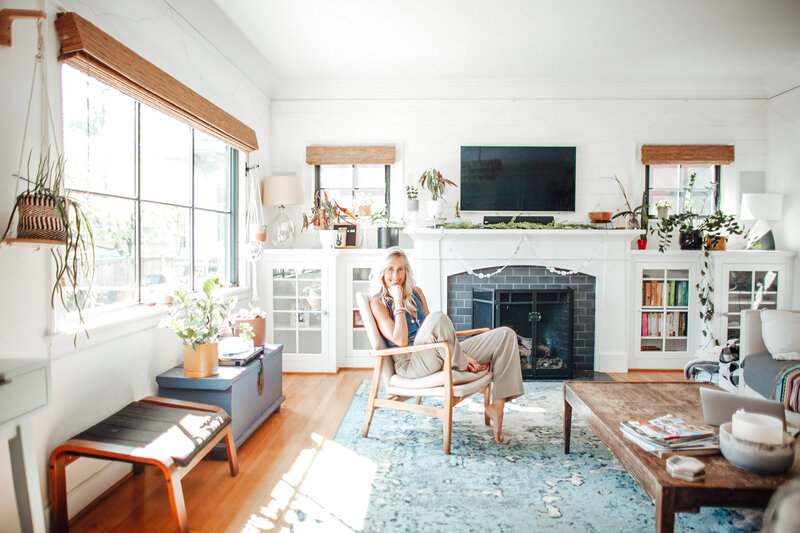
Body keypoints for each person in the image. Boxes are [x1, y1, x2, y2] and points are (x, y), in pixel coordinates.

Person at [368, 246, 524, 443]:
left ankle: (498, 406)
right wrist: (398, 301)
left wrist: (460, 352)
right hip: (410, 363)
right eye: (390, 269)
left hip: (441, 351)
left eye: (400, 269)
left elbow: (434, 331)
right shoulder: (378, 303)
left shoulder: (416, 292)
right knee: (438, 317)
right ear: (382, 272)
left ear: (406, 271)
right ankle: (460, 362)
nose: (395, 276)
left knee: (506, 335)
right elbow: (399, 340)